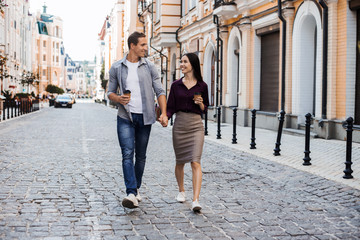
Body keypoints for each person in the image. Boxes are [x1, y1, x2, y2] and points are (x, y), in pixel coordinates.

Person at [107, 31, 168, 209]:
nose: (145, 48)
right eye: (142, 45)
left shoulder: (150, 67)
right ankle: (131, 193)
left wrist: (163, 113)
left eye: (145, 45)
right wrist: (118, 99)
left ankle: (136, 187)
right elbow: (110, 92)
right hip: (125, 116)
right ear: (132, 46)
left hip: (146, 117)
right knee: (127, 154)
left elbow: (160, 91)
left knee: (140, 156)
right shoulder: (117, 67)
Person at [166, 52, 209, 212]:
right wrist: (165, 117)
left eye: (184, 61)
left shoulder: (202, 86)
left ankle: (196, 200)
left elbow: (206, 109)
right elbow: (170, 107)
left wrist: (201, 104)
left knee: (195, 161)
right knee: (180, 161)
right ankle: (181, 190)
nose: (181, 64)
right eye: (181, 61)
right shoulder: (176, 85)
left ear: (192, 64)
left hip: (196, 125)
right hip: (180, 125)